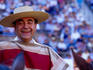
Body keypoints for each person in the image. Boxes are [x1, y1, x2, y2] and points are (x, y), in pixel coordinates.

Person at [0, 6, 69, 70]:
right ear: (14, 27)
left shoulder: (48, 52)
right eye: (20, 23)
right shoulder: (2, 47)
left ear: (35, 26)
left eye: (29, 22)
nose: (26, 26)